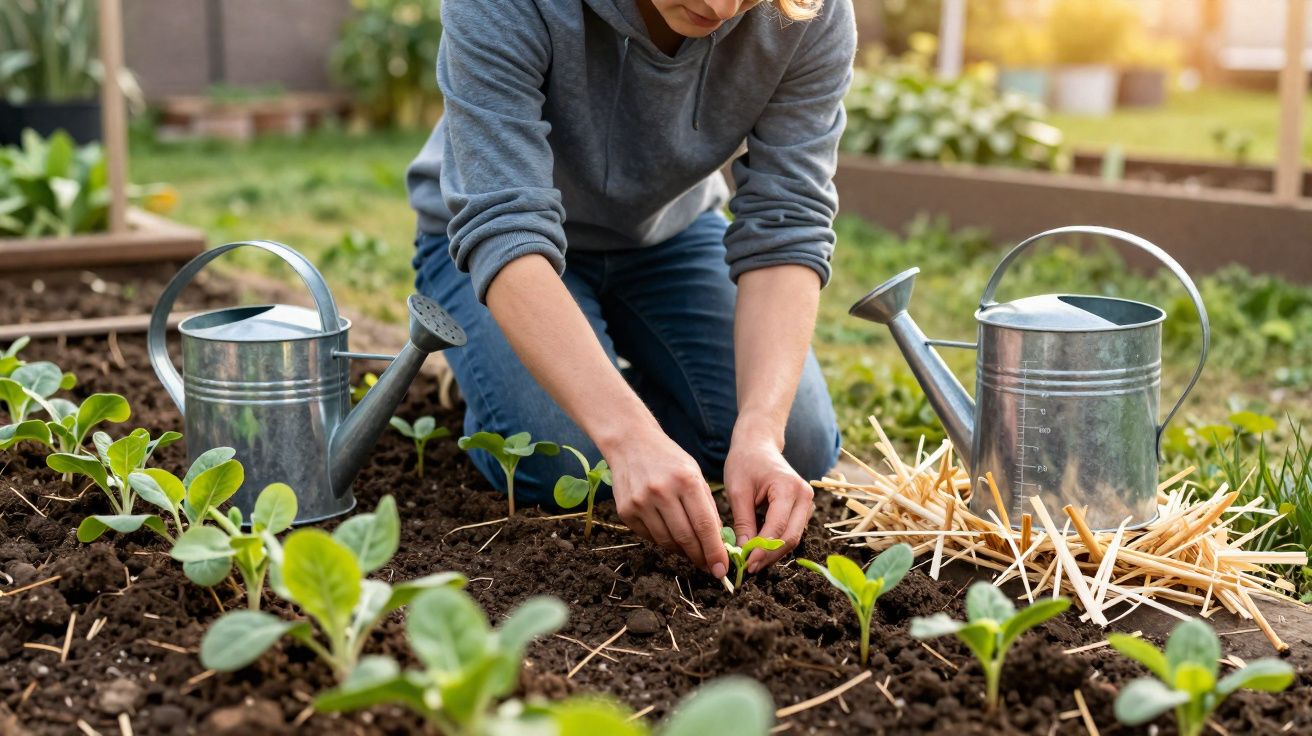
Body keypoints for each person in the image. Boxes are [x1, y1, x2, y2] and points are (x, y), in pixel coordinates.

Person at [408, 0, 855, 582]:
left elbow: (787, 222)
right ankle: (513, 369)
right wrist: (627, 437)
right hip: (495, 243)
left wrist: (762, 431)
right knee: (566, 460)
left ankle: (577, 373)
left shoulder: (807, 11)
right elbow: (504, 227)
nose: (719, 7)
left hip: (667, 236)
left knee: (798, 443)